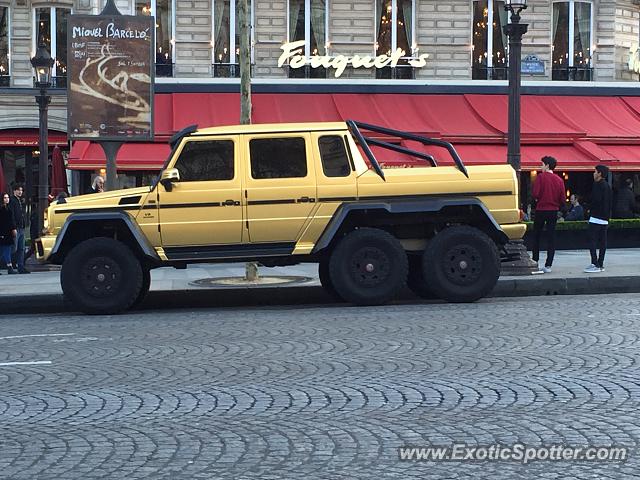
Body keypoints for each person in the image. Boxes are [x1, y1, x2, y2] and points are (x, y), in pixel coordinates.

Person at [531, 156, 566, 273]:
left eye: (542, 164)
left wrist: (537, 199)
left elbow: (535, 194)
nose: (541, 167)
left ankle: (535, 260)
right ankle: (548, 264)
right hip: (553, 210)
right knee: (551, 237)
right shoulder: (559, 180)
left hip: (541, 209)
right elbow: (562, 198)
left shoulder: (541, 177)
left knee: (536, 236)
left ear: (546, 165)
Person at [584, 165, 612, 273]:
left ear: (600, 173)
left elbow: (596, 200)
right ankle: (600, 263)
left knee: (592, 241)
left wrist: (590, 210)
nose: (593, 173)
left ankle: (595, 263)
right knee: (602, 242)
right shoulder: (607, 186)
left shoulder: (597, 185)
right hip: (604, 218)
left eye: (595, 171)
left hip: (596, 217)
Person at [8, 182, 29, 274]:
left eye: (21, 190)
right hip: (16, 228)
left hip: (21, 227)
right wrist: (13, 227)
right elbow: (11, 215)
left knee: (21, 248)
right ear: (14, 191)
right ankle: (10, 265)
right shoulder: (12, 201)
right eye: (18, 190)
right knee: (14, 248)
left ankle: (20, 266)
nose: (20, 192)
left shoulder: (20, 201)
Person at [0, 192, 17, 274]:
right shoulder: (2, 209)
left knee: (6, 249)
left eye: (7, 197)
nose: (7, 199)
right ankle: (9, 266)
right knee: (6, 249)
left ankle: (9, 266)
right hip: (3, 232)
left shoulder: (8, 208)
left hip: (7, 232)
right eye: (5, 198)